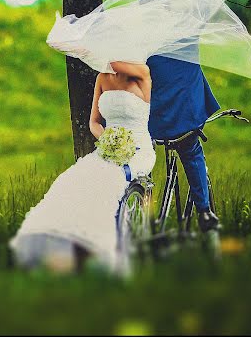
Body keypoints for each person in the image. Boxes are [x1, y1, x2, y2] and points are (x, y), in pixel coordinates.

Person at [9, 61, 155, 273]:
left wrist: (94, 46)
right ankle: (76, 245)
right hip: (109, 148)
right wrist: (108, 139)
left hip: (139, 149)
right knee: (74, 178)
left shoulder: (141, 73)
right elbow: (94, 122)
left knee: (111, 178)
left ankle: (112, 249)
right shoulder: (102, 78)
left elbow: (116, 63)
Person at [138, 0, 221, 231]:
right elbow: (205, 10)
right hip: (183, 118)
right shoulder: (187, 32)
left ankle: (141, 202)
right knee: (192, 152)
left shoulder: (140, 40)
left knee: (143, 158)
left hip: (150, 121)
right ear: (168, 7)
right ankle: (204, 211)